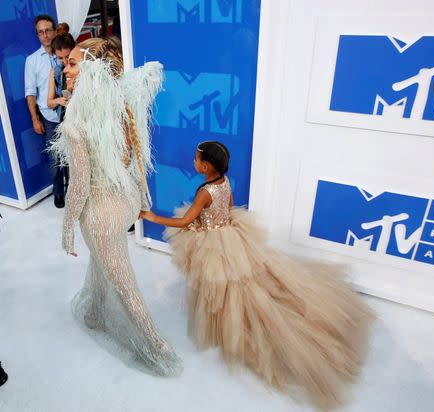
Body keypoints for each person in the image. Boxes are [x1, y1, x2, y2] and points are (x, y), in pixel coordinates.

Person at [140, 141, 374, 410]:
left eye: (196, 159)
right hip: (229, 235)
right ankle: (225, 319)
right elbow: (226, 210)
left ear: (205, 165)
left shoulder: (205, 191)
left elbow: (185, 221)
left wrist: (152, 218)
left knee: (221, 284)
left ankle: (229, 327)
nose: (193, 162)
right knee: (233, 283)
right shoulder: (224, 182)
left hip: (213, 242)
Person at [49, 37, 182, 376]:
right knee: (104, 261)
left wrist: (67, 231)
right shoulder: (122, 100)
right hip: (125, 202)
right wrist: (142, 196)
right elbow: (135, 156)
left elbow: (78, 187)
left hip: (102, 213)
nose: (65, 67)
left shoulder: (76, 124)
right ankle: (94, 311)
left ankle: (157, 349)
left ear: (92, 69)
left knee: (124, 284)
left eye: (73, 62)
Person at [25, 15, 65, 208]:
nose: (45, 35)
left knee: (73, 157)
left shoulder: (64, 53)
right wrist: (35, 119)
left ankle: (74, 192)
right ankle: (59, 194)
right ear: (37, 35)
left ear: (55, 30)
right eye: (41, 32)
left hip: (70, 115)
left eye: (48, 30)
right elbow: (30, 93)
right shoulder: (31, 61)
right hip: (49, 118)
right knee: (54, 159)